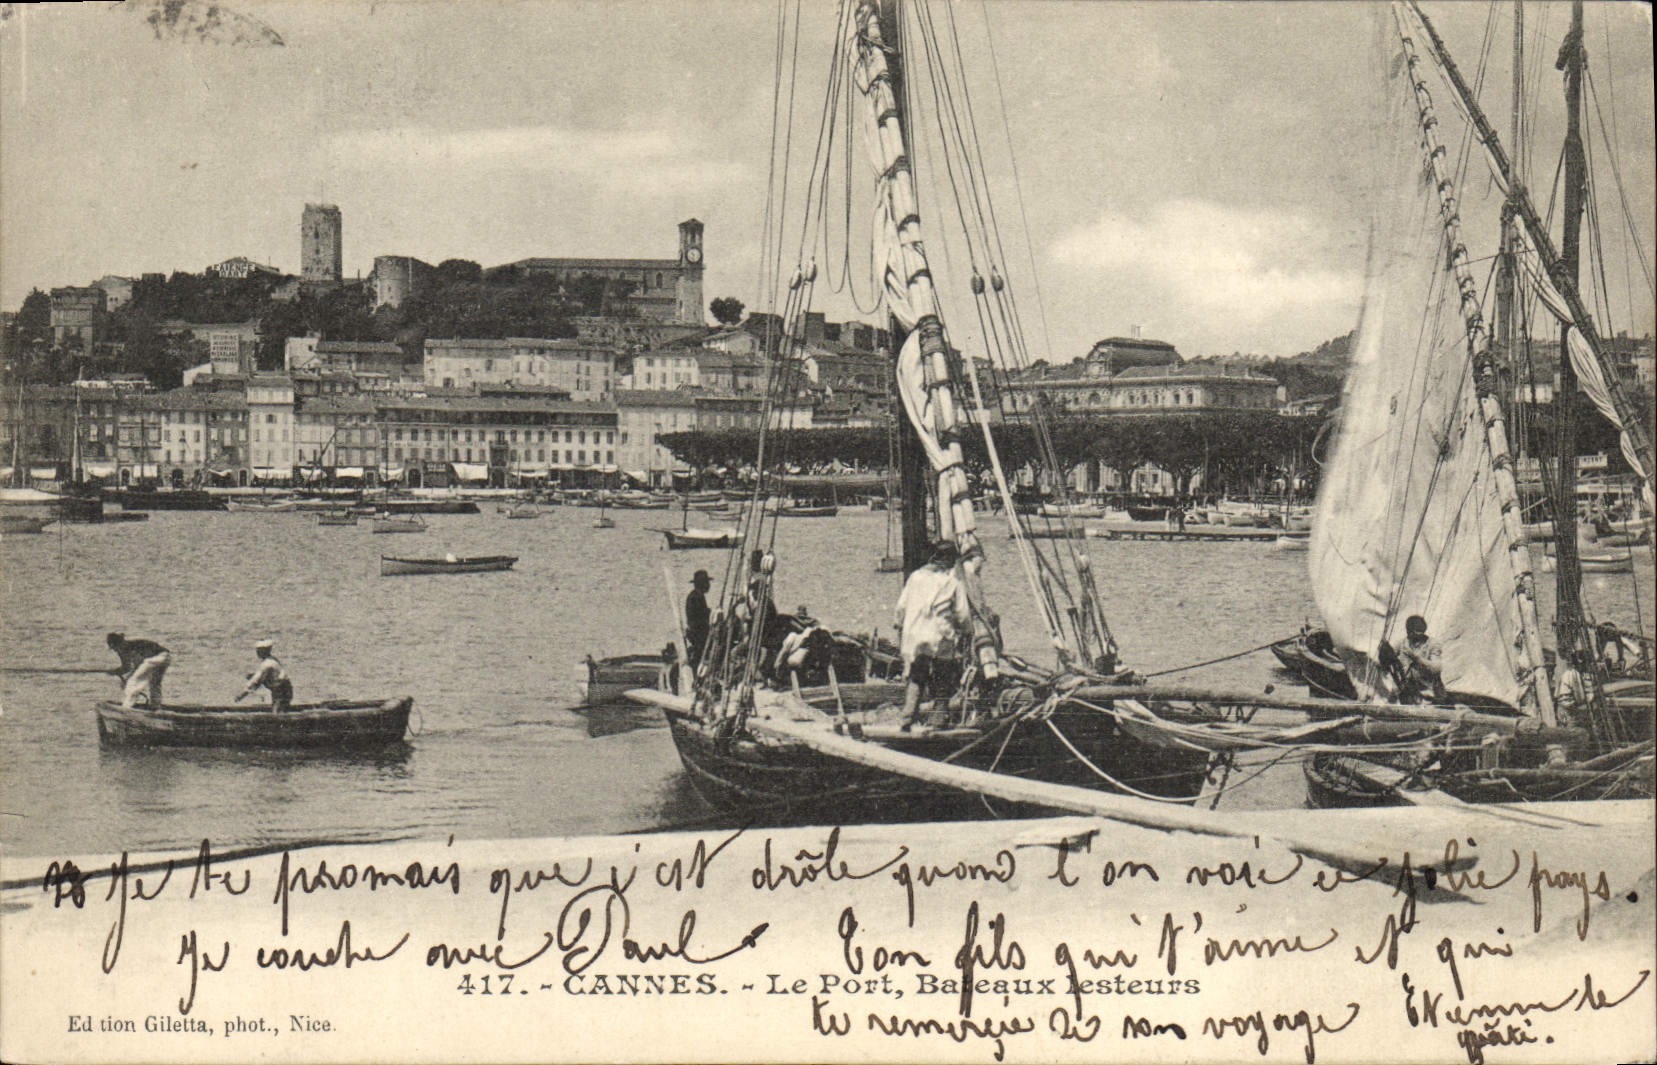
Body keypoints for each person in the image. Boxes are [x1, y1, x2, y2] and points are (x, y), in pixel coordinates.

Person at [894, 540, 972, 729]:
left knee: (916, 676)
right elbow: (963, 615)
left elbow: (900, 608)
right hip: (939, 636)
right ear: (947, 560)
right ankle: (937, 721)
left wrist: (898, 625)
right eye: (953, 561)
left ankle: (907, 718)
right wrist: (967, 632)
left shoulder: (915, 577)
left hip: (915, 637)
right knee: (943, 678)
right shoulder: (953, 583)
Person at [1391, 614, 1446, 704]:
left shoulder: (1433, 644)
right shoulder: (1402, 643)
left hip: (1428, 695)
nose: (1416, 638)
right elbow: (1383, 660)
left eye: (1419, 634)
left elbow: (1437, 668)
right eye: (1412, 634)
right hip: (1406, 693)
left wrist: (1417, 658)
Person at [107, 632, 171, 709]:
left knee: (133, 681)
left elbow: (139, 665)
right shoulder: (122, 651)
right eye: (114, 649)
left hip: (157, 658)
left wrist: (124, 675)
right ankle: (155, 707)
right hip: (166, 657)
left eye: (116, 647)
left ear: (121, 643)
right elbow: (126, 668)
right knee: (154, 683)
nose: (116, 650)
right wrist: (115, 671)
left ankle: (127, 708)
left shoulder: (134, 645)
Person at [235, 639, 294, 712]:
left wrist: (241, 695)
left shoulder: (267, 664)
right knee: (279, 709)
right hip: (283, 690)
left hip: (281, 692)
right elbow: (266, 676)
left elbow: (255, 682)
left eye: (260, 650)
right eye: (257, 650)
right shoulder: (272, 660)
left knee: (277, 713)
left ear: (265, 651)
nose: (257, 652)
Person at [684, 570, 712, 669]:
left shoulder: (695, 595)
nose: (709, 585)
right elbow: (700, 618)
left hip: (697, 632)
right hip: (698, 634)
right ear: (702, 584)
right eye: (707, 583)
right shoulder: (697, 597)